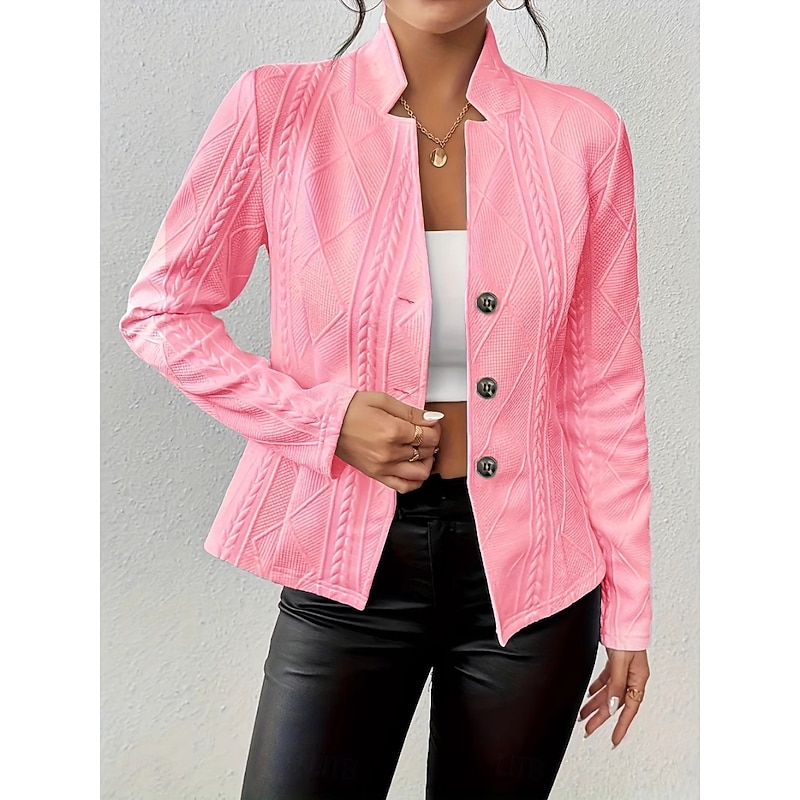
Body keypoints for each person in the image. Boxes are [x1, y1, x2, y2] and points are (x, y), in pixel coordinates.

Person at [119, 1, 652, 797]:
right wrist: (322, 421)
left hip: (536, 583)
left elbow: (603, 383)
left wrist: (630, 608)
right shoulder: (278, 109)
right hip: (349, 571)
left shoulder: (585, 134)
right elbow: (162, 313)